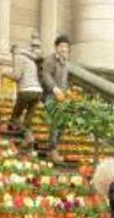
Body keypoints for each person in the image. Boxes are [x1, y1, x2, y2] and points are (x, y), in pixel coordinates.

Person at [7, 43, 43, 148]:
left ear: (14, 51)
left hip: (26, 90)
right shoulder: (31, 59)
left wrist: (4, 73)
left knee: (14, 117)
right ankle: (28, 140)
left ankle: (28, 137)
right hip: (37, 92)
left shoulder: (18, 57)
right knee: (27, 121)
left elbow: (17, 76)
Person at [41, 34, 70, 164]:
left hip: (62, 98)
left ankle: (52, 149)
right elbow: (46, 75)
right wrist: (54, 88)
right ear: (56, 47)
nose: (64, 49)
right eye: (61, 46)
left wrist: (66, 91)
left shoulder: (65, 63)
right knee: (55, 121)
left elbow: (65, 81)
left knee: (63, 124)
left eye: (66, 47)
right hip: (50, 96)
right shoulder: (49, 60)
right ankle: (53, 150)